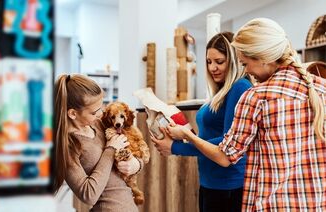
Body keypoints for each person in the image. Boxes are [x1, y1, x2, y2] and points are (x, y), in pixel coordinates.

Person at [156, 18, 326, 211]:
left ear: (262, 57)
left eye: (245, 63)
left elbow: (225, 156)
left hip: (273, 204)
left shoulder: (256, 96)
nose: (246, 71)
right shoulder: (321, 89)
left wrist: (185, 138)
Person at [152, 32, 252, 212]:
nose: (212, 67)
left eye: (219, 62)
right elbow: (208, 137)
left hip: (227, 185)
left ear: (234, 60)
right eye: (208, 62)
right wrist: (183, 133)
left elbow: (226, 144)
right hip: (210, 182)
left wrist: (177, 146)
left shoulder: (240, 87)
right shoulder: (221, 91)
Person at [53, 74, 142, 212]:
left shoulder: (98, 125)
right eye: (94, 112)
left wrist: (136, 164)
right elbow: (88, 195)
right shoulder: (68, 147)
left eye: (101, 107)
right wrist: (110, 150)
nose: (100, 114)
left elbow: (135, 150)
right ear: (73, 114)